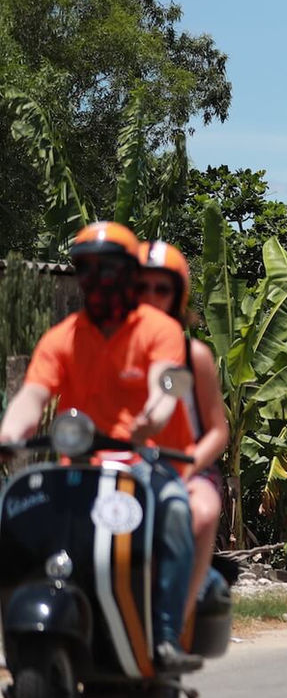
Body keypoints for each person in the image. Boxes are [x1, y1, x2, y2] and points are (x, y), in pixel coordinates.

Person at [0, 222, 201, 671]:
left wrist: (154, 415)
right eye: (87, 268)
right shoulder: (62, 337)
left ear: (128, 273)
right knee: (7, 512)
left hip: (139, 464)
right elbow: (32, 396)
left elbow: (164, 384)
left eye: (108, 268)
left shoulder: (157, 330)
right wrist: (8, 435)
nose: (97, 279)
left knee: (174, 509)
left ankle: (166, 634)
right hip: (77, 469)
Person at [136, 240, 230, 639]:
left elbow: (217, 430)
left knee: (203, 512)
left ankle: (174, 622)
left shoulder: (193, 356)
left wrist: (188, 465)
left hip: (181, 467)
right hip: (116, 466)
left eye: (163, 289)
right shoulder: (109, 349)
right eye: (143, 287)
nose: (152, 298)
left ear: (179, 296)